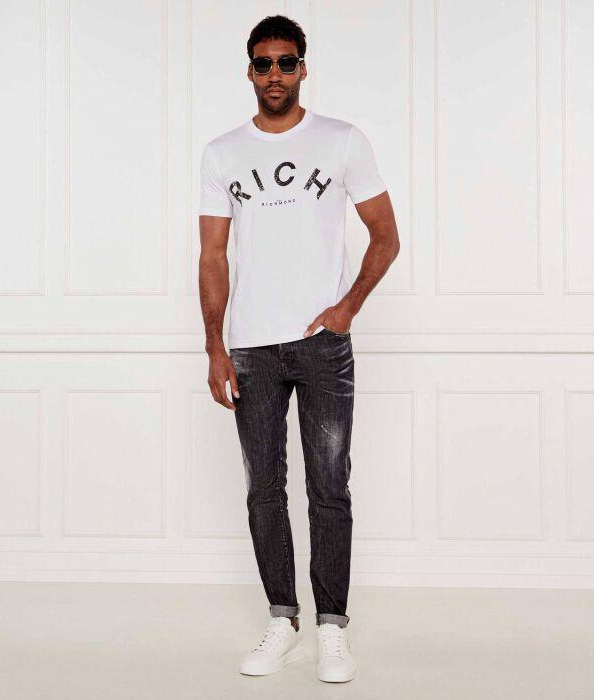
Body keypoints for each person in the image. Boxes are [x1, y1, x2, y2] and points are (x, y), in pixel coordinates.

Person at [198, 14, 399, 684]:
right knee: (263, 489)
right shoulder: (222, 152)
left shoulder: (342, 140)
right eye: (264, 64)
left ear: (303, 68)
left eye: (286, 62)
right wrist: (215, 347)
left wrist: (347, 309)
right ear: (249, 71)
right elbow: (213, 255)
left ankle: (332, 627)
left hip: (321, 347)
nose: (275, 74)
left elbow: (386, 235)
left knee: (329, 488)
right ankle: (282, 621)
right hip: (251, 348)